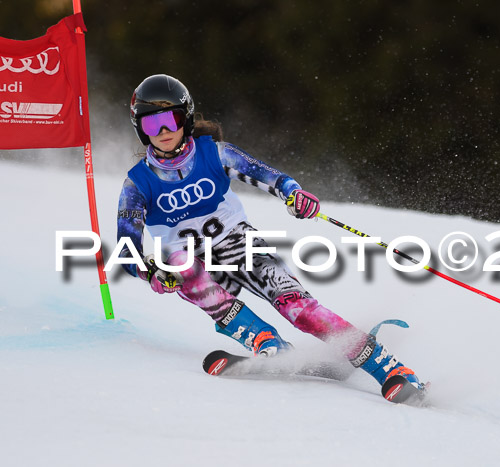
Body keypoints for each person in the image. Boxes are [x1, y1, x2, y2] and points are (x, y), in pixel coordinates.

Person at [117, 74, 426, 402]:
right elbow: (126, 250)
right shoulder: (137, 184)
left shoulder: (215, 154)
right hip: (193, 262)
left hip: (239, 244)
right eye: (152, 125)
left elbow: (269, 176)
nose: (163, 132)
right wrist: (150, 272)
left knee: (301, 310)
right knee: (178, 263)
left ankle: (391, 369)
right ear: (141, 129)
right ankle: (267, 343)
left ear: (186, 118)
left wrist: (294, 194)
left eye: (170, 120)